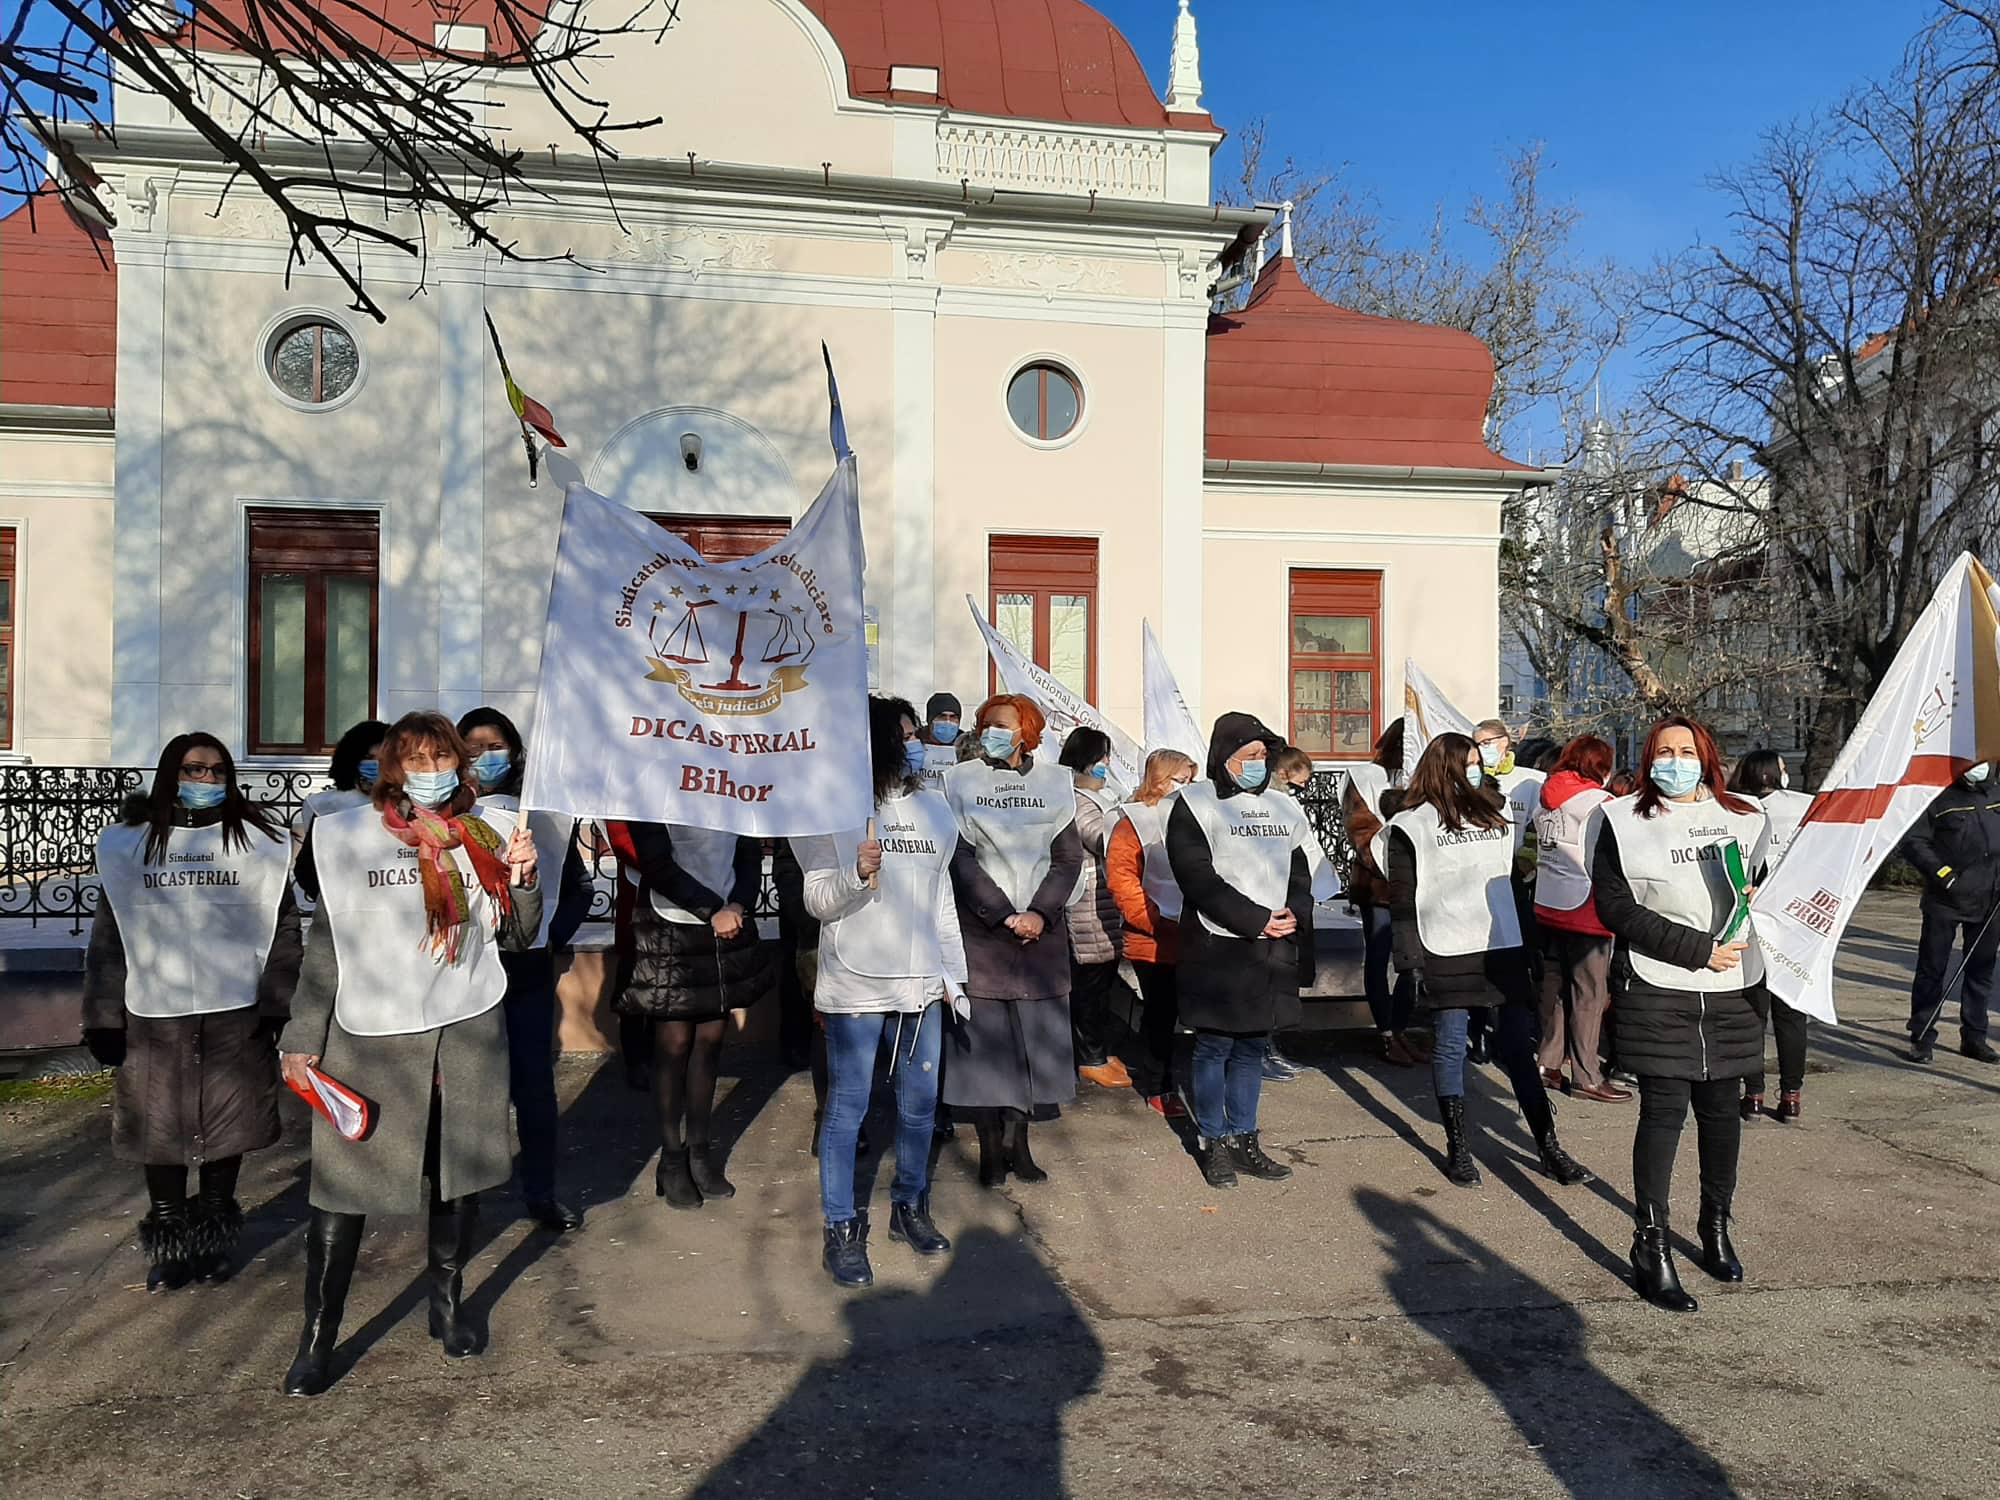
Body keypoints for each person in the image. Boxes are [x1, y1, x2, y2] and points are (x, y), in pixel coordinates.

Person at [277, 711, 543, 1394]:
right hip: (370, 1037)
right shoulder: (345, 835)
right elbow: (326, 945)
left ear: (461, 763)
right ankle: (316, 1338)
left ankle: (446, 1307)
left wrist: (524, 878)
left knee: (457, 1179)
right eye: (415, 758)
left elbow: (516, 936)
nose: (431, 771)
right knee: (340, 1194)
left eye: (442, 757)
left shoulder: (487, 833)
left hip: (464, 1030)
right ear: (393, 765)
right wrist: (303, 1038)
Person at [84, 732, 301, 1292]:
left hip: (235, 1011)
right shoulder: (129, 846)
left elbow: (283, 930)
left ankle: (212, 1239)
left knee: (229, 1128)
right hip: (155, 1015)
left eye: (215, 771)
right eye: (192, 769)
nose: (204, 781)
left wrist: (278, 1005)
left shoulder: (259, 844)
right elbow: (110, 938)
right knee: (161, 1130)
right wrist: (103, 1015)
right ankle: (170, 1238)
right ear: (169, 774)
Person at [1592, 715, 1770, 1313]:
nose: (1675, 760)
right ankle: (1652, 1244)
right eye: (1663, 751)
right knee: (1663, 1112)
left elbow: (1767, 891)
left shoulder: (1745, 816)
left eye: (1686, 751)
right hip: (1660, 984)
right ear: (1647, 759)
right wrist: (1696, 950)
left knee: (1723, 1112)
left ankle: (1715, 1225)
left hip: (1734, 989)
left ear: (1707, 756)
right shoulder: (1620, 819)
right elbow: (1616, 907)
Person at [797, 695, 968, 1287]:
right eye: (904, 734)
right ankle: (842, 1227)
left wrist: (955, 975)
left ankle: (910, 1206)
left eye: (915, 732)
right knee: (849, 1108)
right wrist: (856, 875)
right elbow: (817, 899)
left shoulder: (936, 811)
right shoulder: (830, 810)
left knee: (919, 1108)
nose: (915, 742)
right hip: (856, 982)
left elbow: (940, 900)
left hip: (920, 982)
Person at [1380, 733, 1591, 1191]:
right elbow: (1403, 898)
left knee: (1517, 1047)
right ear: (1444, 767)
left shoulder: (1494, 816)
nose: (1478, 770)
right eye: (1469, 763)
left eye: (1479, 762)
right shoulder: (1411, 825)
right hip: (1447, 945)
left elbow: (1511, 883)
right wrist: (1409, 962)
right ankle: (1458, 1147)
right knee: (1452, 1045)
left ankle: (1548, 1144)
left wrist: (1530, 944)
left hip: (1502, 945)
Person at [458, 707, 595, 1231]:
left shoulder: (543, 815)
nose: (482, 756)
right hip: (466, 967)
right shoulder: (443, 820)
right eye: (470, 747)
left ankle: (540, 1191)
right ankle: (462, 1193)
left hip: (525, 967)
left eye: (493, 746)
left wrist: (551, 935)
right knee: (470, 1084)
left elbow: (579, 887)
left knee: (533, 1086)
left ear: (515, 752)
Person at [1167, 712, 1317, 1189]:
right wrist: (1255, 919)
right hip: (1218, 944)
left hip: (1270, 947)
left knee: (1253, 1046)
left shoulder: (1283, 808)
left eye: (1262, 756)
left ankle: (1244, 1138)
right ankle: (1212, 1141)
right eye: (1248, 755)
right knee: (1214, 1046)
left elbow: (1300, 869)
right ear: (1224, 757)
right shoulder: (1194, 802)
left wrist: (1294, 912)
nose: (1258, 763)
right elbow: (1196, 876)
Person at [942, 694, 1085, 1186]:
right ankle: (987, 1149)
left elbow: (1068, 858)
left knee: (1031, 1047)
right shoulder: (959, 782)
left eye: (1000, 726)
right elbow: (959, 858)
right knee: (985, 1048)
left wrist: (1040, 913)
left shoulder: (1055, 784)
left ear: (1027, 731)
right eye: (985, 726)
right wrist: (1003, 914)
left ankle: (1018, 1144)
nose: (990, 733)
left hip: (1039, 939)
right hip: (984, 934)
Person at [614, 812, 772, 1209]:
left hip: (725, 920)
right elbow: (655, 861)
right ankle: (671, 1160)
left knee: (711, 1038)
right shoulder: (656, 784)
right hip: (674, 919)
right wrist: (710, 909)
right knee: (675, 1042)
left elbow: (749, 848)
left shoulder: (733, 776)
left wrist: (738, 903)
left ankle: (700, 1153)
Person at [1533, 735, 1629, 1102]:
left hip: (1550, 902)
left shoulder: (1547, 795)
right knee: (1590, 993)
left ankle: (1549, 1060)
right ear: (1600, 765)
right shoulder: (1600, 803)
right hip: (1587, 906)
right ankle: (1588, 1074)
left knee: (1560, 990)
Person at [1107, 749, 1197, 1117]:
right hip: (1154, 936)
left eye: (1190, 781)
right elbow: (1123, 878)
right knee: (1160, 1013)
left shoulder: (1190, 815)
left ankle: (1173, 1078)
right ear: (1159, 779)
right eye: (1180, 780)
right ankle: (1158, 1084)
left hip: (1193, 929)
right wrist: (1154, 919)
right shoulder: (1134, 822)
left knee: (1180, 1011)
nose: (1186, 787)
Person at [1728, 748, 1816, 1117]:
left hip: (1748, 919)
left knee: (1752, 1011)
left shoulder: (1732, 809)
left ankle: (1754, 1093)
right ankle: (1791, 1095)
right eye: (1782, 768)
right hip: (1793, 921)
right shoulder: (1805, 807)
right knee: (1791, 1013)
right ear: (1772, 773)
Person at [1900, 759, 2000, 1065]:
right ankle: (1922, 1035)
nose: (1978, 767)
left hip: (1991, 897)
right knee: (1932, 969)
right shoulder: (1939, 795)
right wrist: (1943, 874)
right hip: (1946, 898)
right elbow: (1913, 841)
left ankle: (1974, 1037)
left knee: (1980, 972)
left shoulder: (1996, 791)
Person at [1343, 721, 1427, 1066]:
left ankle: (1401, 1027)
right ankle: (1387, 1033)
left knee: (1411, 963)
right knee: (1379, 959)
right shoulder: (1366, 778)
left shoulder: (1422, 778)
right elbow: (1361, 832)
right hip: (1378, 885)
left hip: (1416, 887)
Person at [1059, 726, 1133, 1090]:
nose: (1107, 764)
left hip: (1103, 901)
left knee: (1102, 980)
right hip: (1085, 902)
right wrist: (1132, 823)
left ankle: (1098, 1051)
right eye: (1103, 757)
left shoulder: (1100, 797)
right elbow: (1100, 838)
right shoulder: (1075, 800)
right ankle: (1090, 1057)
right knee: (1089, 983)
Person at [292, 718, 388, 902]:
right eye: (368, 758)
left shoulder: (406, 805)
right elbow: (308, 867)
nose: (376, 765)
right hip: (339, 907)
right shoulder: (322, 805)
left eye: (383, 758)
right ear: (351, 759)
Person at [917, 692, 963, 792]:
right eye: (942, 717)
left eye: (953, 717)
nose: (948, 722)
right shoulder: (915, 742)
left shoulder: (966, 746)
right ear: (930, 720)